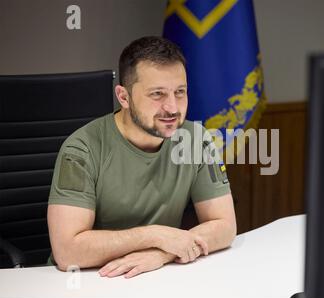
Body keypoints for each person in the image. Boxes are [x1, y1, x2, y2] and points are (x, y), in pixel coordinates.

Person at [47, 36, 236, 279]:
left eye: (180, 92)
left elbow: (225, 226)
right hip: (90, 281)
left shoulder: (196, 140)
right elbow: (67, 252)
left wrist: (163, 253)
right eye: (157, 94)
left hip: (157, 276)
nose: (172, 107)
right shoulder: (82, 148)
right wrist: (154, 235)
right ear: (123, 97)